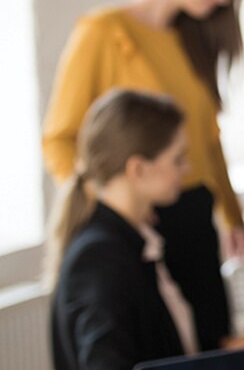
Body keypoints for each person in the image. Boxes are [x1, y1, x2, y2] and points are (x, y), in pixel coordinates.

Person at [41, 0, 244, 351]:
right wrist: (106, 205)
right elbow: (59, 138)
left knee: (212, 342)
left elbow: (208, 140)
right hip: (139, 217)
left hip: (194, 213)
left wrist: (231, 212)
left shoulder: (191, 39)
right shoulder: (103, 31)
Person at [48, 90, 192, 369]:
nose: (187, 168)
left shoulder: (130, 240)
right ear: (138, 169)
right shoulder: (98, 259)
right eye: (177, 159)